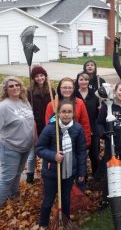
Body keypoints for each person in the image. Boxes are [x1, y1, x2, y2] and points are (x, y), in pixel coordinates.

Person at [37, 100, 86, 228]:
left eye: (69, 112)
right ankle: (43, 223)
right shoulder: (50, 129)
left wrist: (81, 171)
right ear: (58, 113)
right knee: (49, 199)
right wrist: (53, 156)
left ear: (73, 113)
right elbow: (39, 148)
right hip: (52, 171)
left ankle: (65, 220)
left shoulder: (77, 128)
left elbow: (81, 152)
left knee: (65, 198)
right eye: (63, 112)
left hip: (69, 171)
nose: (66, 115)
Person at [96, 81, 121, 208]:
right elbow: (99, 123)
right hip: (111, 145)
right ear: (116, 91)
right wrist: (104, 134)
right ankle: (106, 199)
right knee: (109, 172)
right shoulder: (108, 105)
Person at [0, 76, 35, 206]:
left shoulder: (24, 101)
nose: (15, 88)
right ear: (6, 90)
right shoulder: (3, 107)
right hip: (10, 147)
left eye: (17, 85)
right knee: (7, 178)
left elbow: (31, 121)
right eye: (11, 86)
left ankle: (13, 196)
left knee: (18, 173)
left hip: (25, 147)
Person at [26, 65, 56, 184]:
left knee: (47, 150)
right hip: (35, 124)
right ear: (33, 78)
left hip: (48, 124)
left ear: (45, 76)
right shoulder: (29, 92)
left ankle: (46, 173)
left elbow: (54, 105)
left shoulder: (50, 89)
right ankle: (30, 175)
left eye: (42, 75)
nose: (40, 78)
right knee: (32, 152)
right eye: (37, 76)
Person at [45, 77, 91, 149]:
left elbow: (85, 124)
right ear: (59, 89)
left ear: (73, 89)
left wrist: (86, 142)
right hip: (57, 143)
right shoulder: (52, 105)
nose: (67, 90)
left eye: (70, 88)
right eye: (64, 87)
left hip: (76, 141)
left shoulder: (79, 103)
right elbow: (48, 125)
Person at [75, 72, 100, 176]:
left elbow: (99, 112)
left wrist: (101, 109)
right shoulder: (74, 94)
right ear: (77, 81)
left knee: (94, 154)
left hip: (93, 129)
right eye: (81, 79)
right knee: (81, 155)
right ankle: (82, 176)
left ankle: (96, 175)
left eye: (86, 80)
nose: (84, 82)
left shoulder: (95, 94)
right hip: (78, 130)